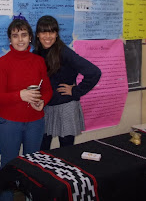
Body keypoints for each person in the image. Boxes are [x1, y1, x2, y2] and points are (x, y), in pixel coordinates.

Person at [0, 18, 52, 201]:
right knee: (9, 166)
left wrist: (43, 102)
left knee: (32, 165)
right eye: (15, 36)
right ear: (9, 39)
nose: (20, 40)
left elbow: (47, 90)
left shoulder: (39, 61)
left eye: (24, 35)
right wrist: (21, 95)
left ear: (30, 38)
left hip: (35, 121)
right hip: (9, 123)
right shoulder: (2, 62)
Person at [33, 15, 101, 150]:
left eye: (51, 32)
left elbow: (94, 72)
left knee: (67, 151)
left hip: (65, 107)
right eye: (43, 32)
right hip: (45, 106)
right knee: (41, 149)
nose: (48, 36)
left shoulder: (64, 52)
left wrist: (75, 91)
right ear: (38, 35)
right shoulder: (36, 53)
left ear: (56, 34)